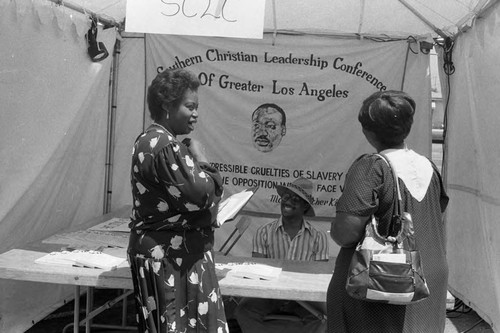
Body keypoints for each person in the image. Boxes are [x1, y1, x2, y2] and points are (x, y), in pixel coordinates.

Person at [327, 90, 449, 332]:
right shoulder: (429, 167)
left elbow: (345, 233)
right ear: (408, 126)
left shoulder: (372, 167)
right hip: (428, 277)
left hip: (384, 280)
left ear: (368, 131)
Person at [127, 68, 228, 333]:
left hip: (167, 255)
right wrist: (203, 159)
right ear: (166, 105)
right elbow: (202, 196)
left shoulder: (149, 140)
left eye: (196, 107)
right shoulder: (165, 145)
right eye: (189, 106)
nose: (195, 114)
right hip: (173, 259)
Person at [234, 177, 330, 333]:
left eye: (295, 199)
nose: (288, 202)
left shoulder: (318, 237)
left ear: (305, 206)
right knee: (243, 311)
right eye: (286, 197)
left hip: (305, 295)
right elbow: (256, 275)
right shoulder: (264, 232)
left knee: (330, 315)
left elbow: (321, 279)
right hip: (268, 293)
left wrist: (296, 295)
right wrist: (276, 293)